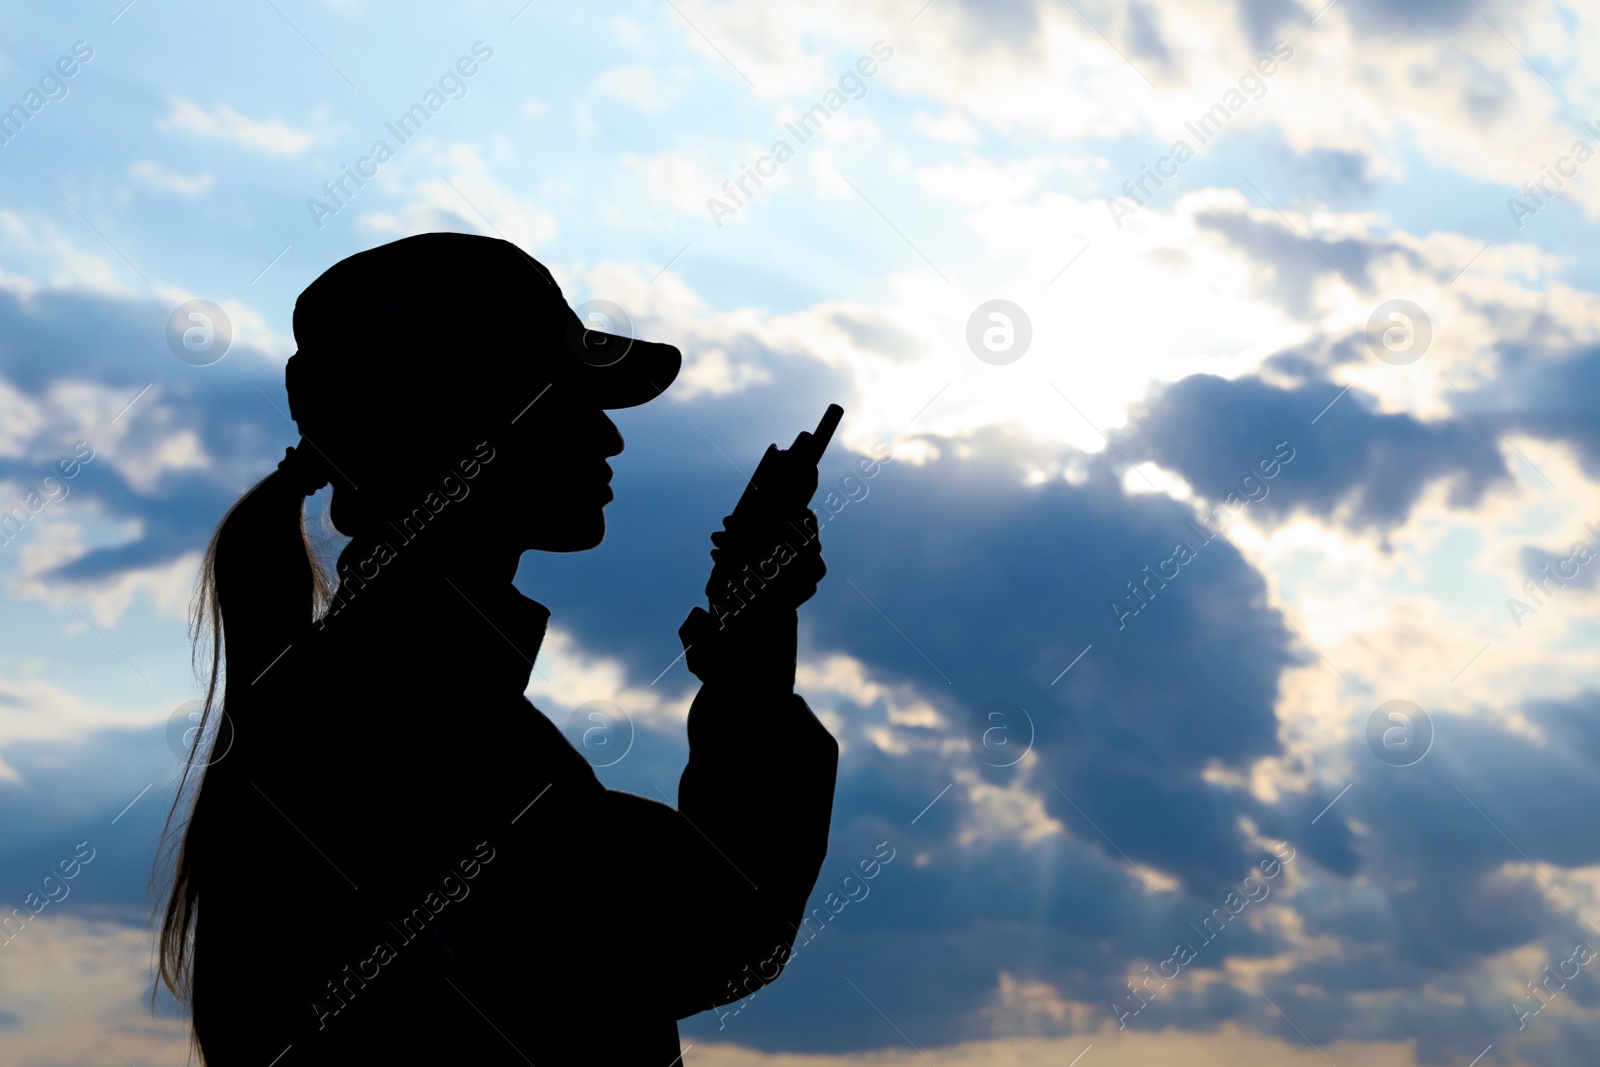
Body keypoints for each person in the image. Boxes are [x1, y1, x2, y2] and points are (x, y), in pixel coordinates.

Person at [155, 232, 840, 1065]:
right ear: (462, 415)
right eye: (567, 398)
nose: (610, 438)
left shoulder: (361, 695)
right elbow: (725, 930)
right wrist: (754, 664)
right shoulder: (415, 721)